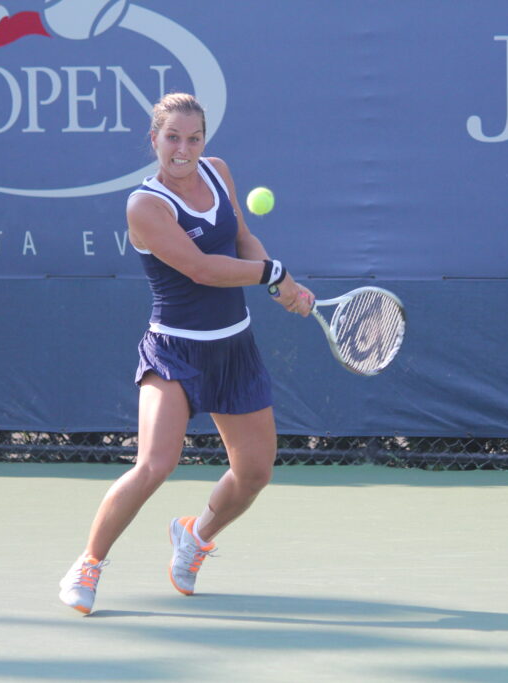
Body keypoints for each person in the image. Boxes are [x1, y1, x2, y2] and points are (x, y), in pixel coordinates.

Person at [59, 92, 314, 615]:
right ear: (154, 139)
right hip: (174, 352)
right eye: (172, 137)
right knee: (155, 464)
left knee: (255, 473)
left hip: (234, 348)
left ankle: (194, 537)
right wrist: (274, 273)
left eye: (193, 138)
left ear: (204, 140)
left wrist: (278, 284)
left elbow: (242, 239)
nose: (183, 149)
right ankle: (88, 562)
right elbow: (201, 268)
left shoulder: (218, 172)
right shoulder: (145, 206)